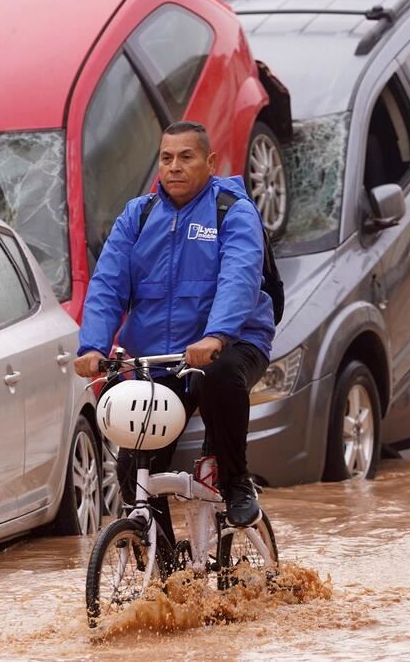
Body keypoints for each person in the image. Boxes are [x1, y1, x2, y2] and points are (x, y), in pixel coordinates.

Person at [75, 120, 274, 533]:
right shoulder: (138, 215)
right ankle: (164, 569)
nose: (175, 167)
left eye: (187, 157)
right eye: (167, 158)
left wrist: (216, 336)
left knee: (220, 375)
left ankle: (238, 484)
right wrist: (92, 346)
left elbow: (238, 277)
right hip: (160, 359)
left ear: (210, 162)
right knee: (135, 472)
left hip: (232, 343)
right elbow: (109, 283)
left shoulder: (231, 211)